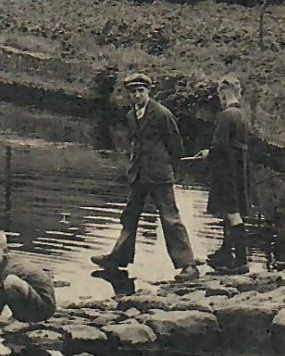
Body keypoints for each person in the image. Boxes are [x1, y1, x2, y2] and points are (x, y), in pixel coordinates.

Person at [91, 72, 203, 281]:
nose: (136, 96)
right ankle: (117, 259)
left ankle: (188, 265)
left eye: (140, 91)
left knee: (170, 218)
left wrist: (171, 168)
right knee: (129, 216)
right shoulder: (131, 116)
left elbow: (175, 145)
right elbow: (134, 142)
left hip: (159, 175)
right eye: (133, 92)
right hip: (138, 174)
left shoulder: (162, 114)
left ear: (148, 92)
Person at [185, 76, 251, 275]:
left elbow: (219, 146)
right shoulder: (242, 115)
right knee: (230, 211)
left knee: (231, 213)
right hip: (239, 168)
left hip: (226, 170)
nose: (220, 100)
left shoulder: (226, 115)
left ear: (224, 94)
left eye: (221, 96)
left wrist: (207, 154)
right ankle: (225, 253)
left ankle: (241, 260)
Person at [0, 227, 56, 338]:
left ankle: (25, 320)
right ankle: (22, 317)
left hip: (44, 308)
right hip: (32, 301)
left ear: (4, 251)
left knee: (10, 282)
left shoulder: (10, 267)